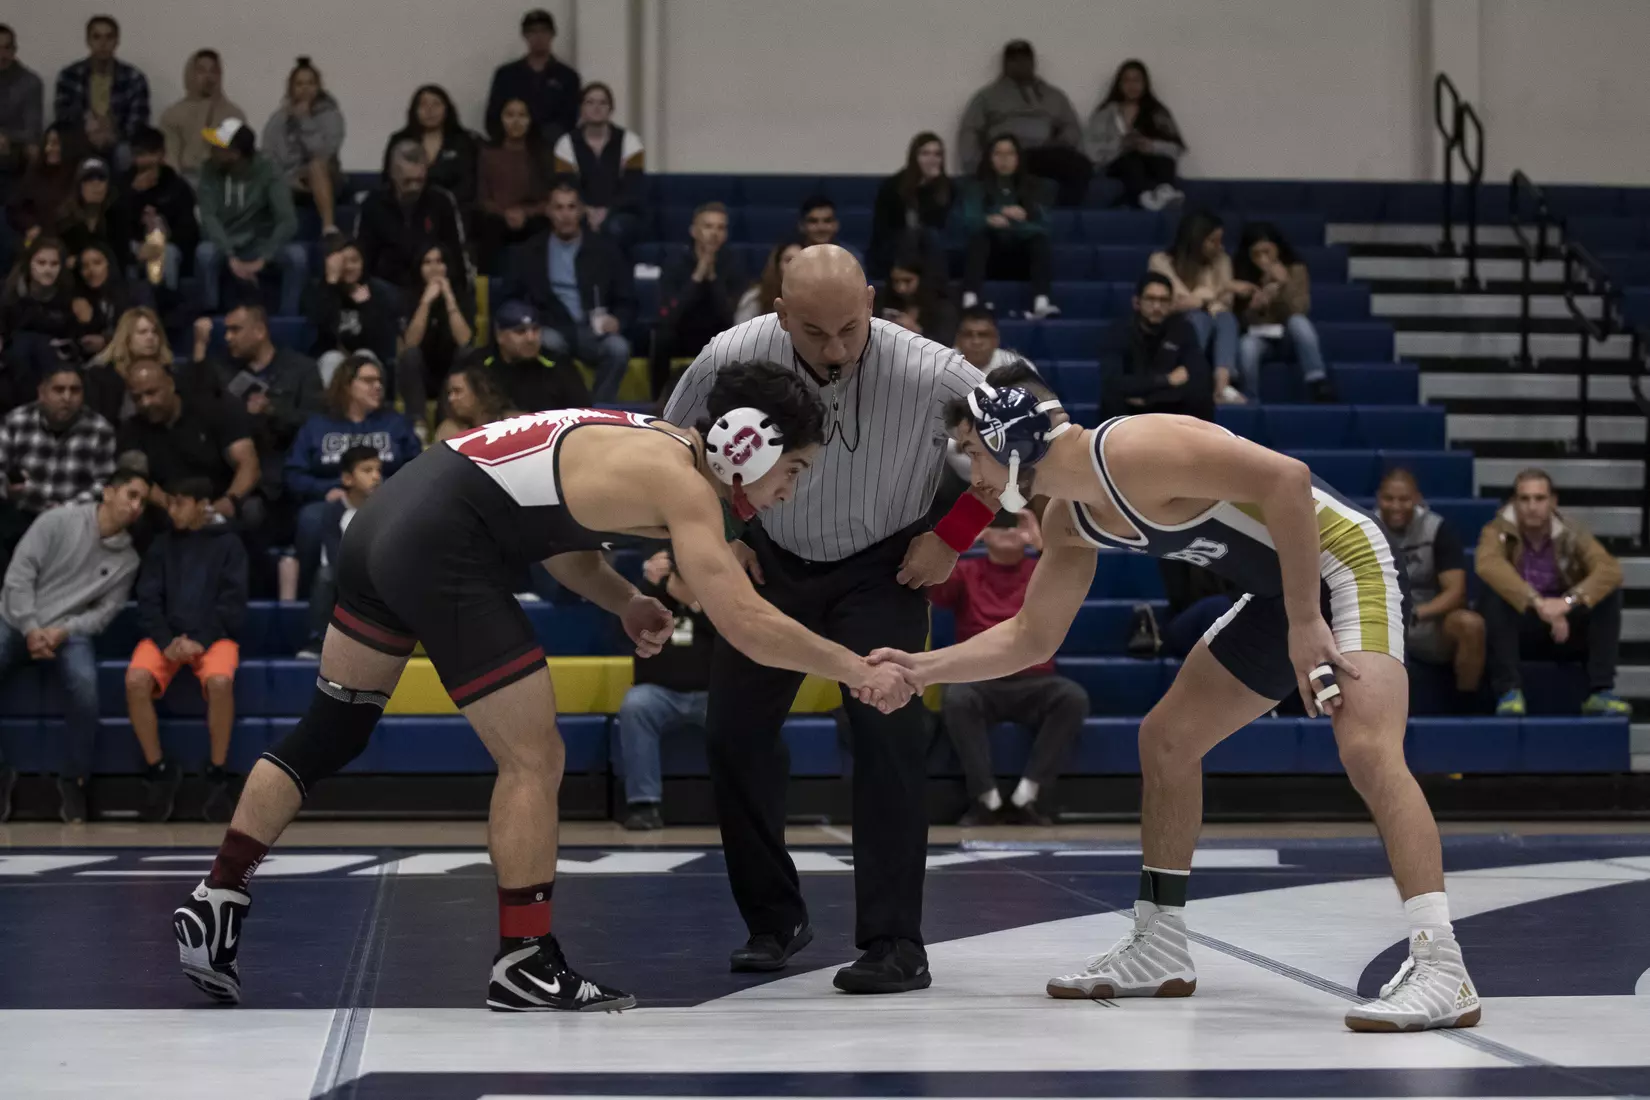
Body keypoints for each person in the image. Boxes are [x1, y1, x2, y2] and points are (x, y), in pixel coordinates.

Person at [173, 359, 914, 1011]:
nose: (791, 491)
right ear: (749, 444)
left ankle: (219, 894)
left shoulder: (639, 437)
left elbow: (554, 536)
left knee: (332, 727)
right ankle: (524, 959)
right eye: (797, 471)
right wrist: (856, 668)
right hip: (442, 544)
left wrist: (625, 602)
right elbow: (745, 621)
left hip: (385, 524)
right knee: (534, 758)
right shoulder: (681, 483)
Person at [871, 362, 1481, 1033]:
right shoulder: (1071, 519)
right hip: (1281, 594)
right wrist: (923, 669)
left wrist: (1308, 621)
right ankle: (1160, 944)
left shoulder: (1133, 449)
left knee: (1366, 747)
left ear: (1012, 443)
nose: (971, 477)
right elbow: (1029, 637)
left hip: (1341, 567)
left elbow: (1287, 480)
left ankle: (1442, 967)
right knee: (1166, 739)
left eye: (973, 453)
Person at [663, 244, 993, 994]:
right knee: (732, 736)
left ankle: (894, 942)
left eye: (851, 328)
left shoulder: (930, 369)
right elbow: (673, 446)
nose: (837, 349)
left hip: (885, 564)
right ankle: (774, 920)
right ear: (780, 314)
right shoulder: (732, 354)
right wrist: (726, 535)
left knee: (887, 734)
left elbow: (1034, 435)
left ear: (872, 301)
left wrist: (956, 530)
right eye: (815, 333)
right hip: (770, 556)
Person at [0, 467, 145, 822]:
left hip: (68, 632)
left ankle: (74, 779)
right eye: (132, 494)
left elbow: (104, 615)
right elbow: (19, 576)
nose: (137, 506)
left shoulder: (128, 560)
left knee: (85, 688)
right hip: (16, 619)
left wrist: (62, 632)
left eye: (142, 500)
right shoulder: (57, 520)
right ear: (108, 492)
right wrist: (31, 627)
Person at [930, 507, 1085, 826]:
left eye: (1014, 523)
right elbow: (933, 589)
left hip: (1034, 679)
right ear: (984, 534)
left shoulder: (1040, 571)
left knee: (1072, 697)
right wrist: (964, 539)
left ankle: (1031, 793)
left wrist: (1042, 545)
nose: (1008, 529)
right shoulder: (968, 572)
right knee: (957, 698)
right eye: (997, 523)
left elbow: (1071, 581)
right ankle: (984, 797)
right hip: (980, 677)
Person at [127, 475, 248, 823]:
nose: (172, 510)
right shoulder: (161, 545)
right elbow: (147, 600)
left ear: (201, 505)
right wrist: (167, 641)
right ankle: (158, 768)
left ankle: (217, 771)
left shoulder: (229, 545)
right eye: (170, 502)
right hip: (167, 638)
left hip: (211, 636)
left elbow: (233, 604)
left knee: (221, 683)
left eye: (180, 503)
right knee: (136, 680)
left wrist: (200, 639)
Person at [1474, 468, 1628, 718]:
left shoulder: (1571, 531)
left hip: (1562, 626)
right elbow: (1488, 565)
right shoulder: (1496, 530)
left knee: (1608, 594)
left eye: (1539, 498)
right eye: (1524, 499)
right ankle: (1509, 691)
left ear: (1553, 502)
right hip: (1519, 626)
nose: (1532, 506)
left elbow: (1609, 570)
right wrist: (1538, 602)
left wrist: (1567, 603)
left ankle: (1601, 691)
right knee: (1493, 594)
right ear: (1515, 502)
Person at [285, 353, 421, 588]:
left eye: (380, 381)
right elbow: (293, 474)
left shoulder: (395, 423)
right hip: (332, 502)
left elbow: (418, 469)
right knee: (310, 519)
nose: (377, 386)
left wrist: (382, 487)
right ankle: (312, 592)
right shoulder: (317, 426)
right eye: (368, 381)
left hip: (385, 500)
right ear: (347, 385)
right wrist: (328, 490)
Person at [506, 180, 635, 402]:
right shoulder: (529, 252)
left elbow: (628, 299)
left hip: (594, 329)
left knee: (618, 348)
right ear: (548, 211)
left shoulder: (605, 250)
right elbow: (511, 297)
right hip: (551, 326)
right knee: (548, 342)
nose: (565, 215)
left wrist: (618, 321)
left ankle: (599, 411)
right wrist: (530, 323)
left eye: (571, 207)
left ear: (582, 210)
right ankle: (561, 411)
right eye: (559, 207)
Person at [616, 548, 715, 831]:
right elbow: (623, 635)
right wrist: (649, 586)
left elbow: (735, 639)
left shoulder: (716, 596)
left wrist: (696, 606)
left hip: (713, 694)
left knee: (745, 709)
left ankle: (745, 804)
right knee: (635, 706)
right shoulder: (651, 596)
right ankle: (644, 805)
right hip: (658, 692)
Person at [201, 303, 324, 511]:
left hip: (286, 469)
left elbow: (317, 423)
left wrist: (272, 410)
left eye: (235, 330)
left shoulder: (301, 368)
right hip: (234, 471)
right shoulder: (221, 373)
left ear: (259, 331)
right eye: (226, 330)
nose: (228, 338)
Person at [1376, 468, 1483, 700]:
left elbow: (1456, 590)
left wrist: (1417, 613)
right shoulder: (1365, 528)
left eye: (1404, 499)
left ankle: (1467, 708)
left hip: (1425, 619)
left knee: (1470, 625)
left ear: (1416, 499)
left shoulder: (1437, 529)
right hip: (1379, 620)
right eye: (1389, 499)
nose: (1396, 506)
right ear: (1378, 499)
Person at [118, 360, 262, 526]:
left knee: (252, 509)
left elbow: (248, 464)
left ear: (170, 384)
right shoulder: (131, 429)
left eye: (151, 393)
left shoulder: (214, 408)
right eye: (137, 398)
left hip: (220, 501)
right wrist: (173, 507)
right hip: (169, 509)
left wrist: (229, 501)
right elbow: (135, 477)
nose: (145, 403)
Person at [196, 119, 306, 317]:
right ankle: (210, 315)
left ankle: (289, 319)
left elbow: (287, 220)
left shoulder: (268, 170)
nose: (211, 150)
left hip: (259, 243)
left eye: (217, 146)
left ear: (235, 154)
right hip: (224, 241)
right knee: (205, 253)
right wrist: (229, 254)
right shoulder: (208, 170)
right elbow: (209, 217)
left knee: (296, 257)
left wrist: (264, 257)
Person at [959, 41, 1089, 206]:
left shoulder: (1053, 96)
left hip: (1042, 154)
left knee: (1080, 165)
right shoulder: (988, 96)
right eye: (1014, 60)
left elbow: (1071, 126)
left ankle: (1062, 215)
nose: (1021, 64)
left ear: (1033, 62)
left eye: (1025, 59)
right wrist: (975, 164)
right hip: (1006, 155)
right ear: (1005, 64)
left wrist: (1062, 142)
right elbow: (970, 129)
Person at [0, 364, 117, 524]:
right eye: (59, 390)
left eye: (75, 390)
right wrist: (8, 488)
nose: (67, 398)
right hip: (21, 514)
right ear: (42, 393)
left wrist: (63, 511)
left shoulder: (100, 430)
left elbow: (104, 485)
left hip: (75, 520)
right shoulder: (16, 421)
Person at [650, 202, 744, 397]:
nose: (714, 233)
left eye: (720, 227)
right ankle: (658, 400)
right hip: (682, 331)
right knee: (661, 338)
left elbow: (730, 317)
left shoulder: (734, 264)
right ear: (694, 231)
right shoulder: (675, 262)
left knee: (738, 342)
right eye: (708, 226)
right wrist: (698, 276)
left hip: (718, 334)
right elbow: (670, 315)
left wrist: (712, 279)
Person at [296, 445, 380, 659]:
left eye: (378, 470)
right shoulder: (334, 512)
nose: (376, 477)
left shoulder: (386, 507)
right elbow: (332, 554)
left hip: (380, 576)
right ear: (347, 478)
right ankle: (319, 640)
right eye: (367, 471)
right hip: (345, 578)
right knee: (325, 576)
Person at [961, 134, 1058, 319]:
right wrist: (993, 217)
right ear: (989, 158)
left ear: (1018, 157)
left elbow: (1044, 227)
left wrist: (1012, 223)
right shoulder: (976, 187)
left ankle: (1041, 301)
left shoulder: (1035, 187)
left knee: (1039, 242)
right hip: (989, 259)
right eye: (998, 154)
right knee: (978, 238)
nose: (1004, 160)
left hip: (1022, 260)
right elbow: (969, 221)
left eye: (1010, 154)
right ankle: (970, 299)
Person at [1150, 209, 1242, 403]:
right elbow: (1174, 300)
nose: (1219, 246)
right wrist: (1206, 298)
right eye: (1213, 241)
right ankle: (1190, 377)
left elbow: (1226, 303)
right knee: (1199, 317)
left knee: (1227, 318)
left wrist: (1202, 300)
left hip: (1214, 319)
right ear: (1196, 239)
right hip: (1170, 322)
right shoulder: (1161, 260)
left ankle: (1222, 385)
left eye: (1220, 240)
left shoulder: (1221, 259)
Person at [1234, 222, 1330, 403]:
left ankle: (1317, 380)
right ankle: (1250, 397)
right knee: (1247, 345)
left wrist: (1284, 284)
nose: (1263, 259)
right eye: (1256, 254)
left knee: (1298, 322)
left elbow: (1300, 308)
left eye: (1267, 251)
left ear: (1277, 248)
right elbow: (1241, 324)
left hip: (1290, 337)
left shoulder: (1296, 270)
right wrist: (1254, 308)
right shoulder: (1243, 275)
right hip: (1261, 337)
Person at [353, 139, 468, 290]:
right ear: (393, 174)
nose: (414, 187)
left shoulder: (441, 202)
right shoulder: (373, 204)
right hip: (387, 289)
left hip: (433, 288)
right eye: (408, 181)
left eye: (419, 181)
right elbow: (362, 257)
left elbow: (455, 255)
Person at [1102, 271, 1213, 421]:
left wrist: (1148, 397)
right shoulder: (1119, 331)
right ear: (1137, 302)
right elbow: (1113, 381)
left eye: (1163, 300)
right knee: (1112, 398)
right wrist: (1166, 380)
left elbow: (1199, 376)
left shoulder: (1183, 329)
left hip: (1168, 409)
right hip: (1132, 413)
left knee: (1201, 397)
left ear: (1172, 304)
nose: (1157, 306)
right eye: (1150, 299)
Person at [552, 82, 645, 251]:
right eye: (590, 102)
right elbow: (567, 187)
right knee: (570, 222)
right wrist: (587, 211)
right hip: (580, 213)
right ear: (581, 108)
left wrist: (606, 212)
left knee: (615, 227)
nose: (596, 107)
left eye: (603, 103)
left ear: (611, 109)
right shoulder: (565, 144)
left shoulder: (631, 142)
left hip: (621, 212)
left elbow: (632, 189)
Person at [1084, 59, 1186, 211]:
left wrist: (1151, 146)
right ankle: (1144, 198)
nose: (1132, 86)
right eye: (1126, 81)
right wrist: (1121, 145)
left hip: (1150, 161)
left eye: (1137, 80)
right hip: (1117, 163)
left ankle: (1165, 194)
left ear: (1145, 84)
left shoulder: (1157, 112)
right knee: (1132, 161)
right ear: (1119, 85)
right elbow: (1091, 150)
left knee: (1165, 162)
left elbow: (1177, 148)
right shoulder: (1105, 114)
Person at [261, 58, 344, 240]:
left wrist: (305, 120)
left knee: (316, 166)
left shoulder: (331, 115)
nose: (305, 88)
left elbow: (323, 153)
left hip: (325, 177)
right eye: (299, 84)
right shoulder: (277, 120)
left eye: (310, 83)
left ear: (318, 86)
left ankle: (328, 229)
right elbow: (268, 158)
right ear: (291, 88)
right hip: (289, 181)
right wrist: (289, 180)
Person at [460, 300, 588, 415]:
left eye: (535, 329)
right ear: (500, 336)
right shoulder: (477, 364)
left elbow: (584, 414)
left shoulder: (559, 365)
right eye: (520, 331)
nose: (531, 338)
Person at [112, 125, 198, 295]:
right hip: (133, 244)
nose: (144, 160)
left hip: (168, 245)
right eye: (139, 154)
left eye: (150, 154)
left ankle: (166, 304)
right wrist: (133, 193)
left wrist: (166, 234)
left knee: (168, 254)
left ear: (161, 154)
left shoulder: (177, 186)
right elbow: (114, 222)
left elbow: (190, 232)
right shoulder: (121, 184)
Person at [397, 244, 475, 427]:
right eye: (427, 262)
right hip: (421, 374)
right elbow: (410, 343)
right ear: (419, 267)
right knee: (410, 355)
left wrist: (448, 297)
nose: (434, 268)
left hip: (451, 373)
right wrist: (425, 302)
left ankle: (446, 421)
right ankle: (418, 424)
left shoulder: (462, 296)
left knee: (467, 354)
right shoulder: (408, 297)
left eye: (439, 262)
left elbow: (465, 341)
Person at [475, 98, 554, 274]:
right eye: (510, 115)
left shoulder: (543, 153)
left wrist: (525, 213)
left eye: (522, 115)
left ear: (530, 119)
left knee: (541, 230)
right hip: (498, 217)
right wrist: (506, 213)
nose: (516, 121)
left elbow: (550, 198)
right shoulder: (488, 153)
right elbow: (483, 198)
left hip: (534, 217)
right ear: (500, 119)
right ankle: (488, 295)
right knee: (489, 230)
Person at [307, 237, 399, 381]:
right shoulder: (321, 290)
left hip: (368, 358)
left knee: (364, 356)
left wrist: (366, 305)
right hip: (331, 357)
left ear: (363, 263)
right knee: (332, 359)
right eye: (343, 262)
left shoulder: (378, 293)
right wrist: (331, 283)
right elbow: (318, 328)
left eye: (354, 261)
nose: (349, 267)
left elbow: (382, 343)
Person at [485, 8, 581, 144]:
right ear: (524, 35)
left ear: (552, 34)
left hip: (552, 149)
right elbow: (493, 118)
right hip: (514, 148)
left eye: (544, 31)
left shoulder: (568, 77)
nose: (538, 37)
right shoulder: (506, 75)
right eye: (533, 31)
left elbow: (570, 120)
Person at [52, 15, 149, 144]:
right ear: (88, 41)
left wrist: (113, 131)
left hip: (119, 141)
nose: (103, 44)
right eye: (96, 37)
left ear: (117, 41)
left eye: (109, 37)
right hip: (80, 140)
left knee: (126, 153)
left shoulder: (134, 78)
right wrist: (88, 128)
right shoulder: (70, 76)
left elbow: (139, 123)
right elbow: (63, 117)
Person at [869, 132, 952, 280]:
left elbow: (941, 225)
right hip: (895, 247)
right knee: (914, 237)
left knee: (930, 236)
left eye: (937, 154)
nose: (932, 159)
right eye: (925, 154)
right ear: (914, 157)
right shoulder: (893, 186)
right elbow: (882, 230)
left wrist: (930, 188)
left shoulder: (947, 187)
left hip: (932, 247)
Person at [1, 235, 77, 399]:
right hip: (14, 362)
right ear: (29, 264)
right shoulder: (9, 294)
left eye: (54, 264)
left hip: (54, 360)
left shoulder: (68, 297)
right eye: (41, 263)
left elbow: (72, 338)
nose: (48, 270)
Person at [381, 85, 478, 206]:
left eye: (436, 104)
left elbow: (468, 184)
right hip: (407, 208)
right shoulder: (400, 140)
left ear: (447, 109)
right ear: (414, 110)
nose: (430, 110)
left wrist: (441, 205)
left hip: (452, 209)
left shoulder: (464, 141)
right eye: (423, 105)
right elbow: (388, 180)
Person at [158, 49, 243, 185]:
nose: (209, 77)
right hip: (185, 180)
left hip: (221, 183)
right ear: (191, 74)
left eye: (214, 71)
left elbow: (238, 158)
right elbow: (170, 158)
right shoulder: (173, 114)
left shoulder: (233, 115)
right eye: (202, 71)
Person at [83, 304, 169, 422]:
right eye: (142, 332)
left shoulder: (168, 371)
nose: (150, 337)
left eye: (154, 332)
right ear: (126, 337)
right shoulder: (100, 374)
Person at [70, 241, 142, 359]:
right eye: (85, 266)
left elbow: (144, 330)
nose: (91, 271)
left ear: (109, 264)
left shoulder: (133, 292)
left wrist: (106, 341)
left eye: (97, 263)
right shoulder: (79, 299)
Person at [0, 24, 44, 204]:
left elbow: (32, 132)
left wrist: (5, 137)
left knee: (32, 152)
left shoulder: (30, 82)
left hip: (15, 151)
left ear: (15, 50)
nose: (2, 54)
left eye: (7, 48)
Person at [876, 251, 958, 347]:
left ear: (922, 279)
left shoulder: (943, 308)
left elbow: (945, 346)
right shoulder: (883, 302)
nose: (901, 288)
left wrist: (916, 330)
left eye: (907, 281)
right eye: (896, 281)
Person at [55, 157, 122, 259]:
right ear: (79, 186)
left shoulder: (117, 218)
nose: (96, 184)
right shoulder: (64, 222)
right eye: (89, 179)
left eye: (101, 178)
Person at [434, 362, 514, 443]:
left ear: (480, 391)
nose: (450, 398)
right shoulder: (448, 431)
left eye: (457, 391)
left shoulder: (515, 425)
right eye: (449, 392)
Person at [954, 304, 1039, 375]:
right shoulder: (942, 366)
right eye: (968, 335)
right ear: (957, 340)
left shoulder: (1020, 370)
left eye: (984, 335)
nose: (976, 342)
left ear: (996, 339)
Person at [733, 239, 801, 325]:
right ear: (777, 265)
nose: (794, 265)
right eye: (788, 260)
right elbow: (740, 334)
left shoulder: (815, 298)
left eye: (800, 260)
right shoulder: (756, 298)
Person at [796, 196, 861, 262]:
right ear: (802, 226)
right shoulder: (791, 256)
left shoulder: (852, 257)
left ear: (836, 225)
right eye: (813, 221)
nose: (821, 228)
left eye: (827, 221)